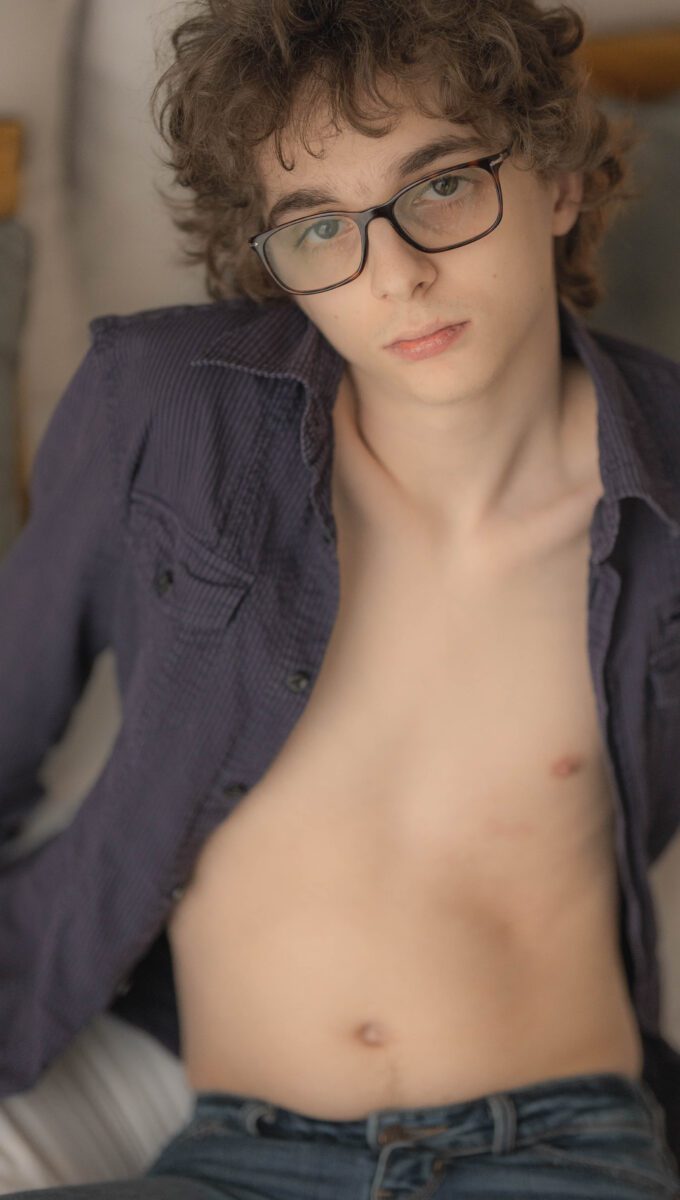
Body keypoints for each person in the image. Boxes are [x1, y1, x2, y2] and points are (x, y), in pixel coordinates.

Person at [1, 0, 680, 1196]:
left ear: (557, 180)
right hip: (233, 1152)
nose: (398, 275)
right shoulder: (163, 414)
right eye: (320, 227)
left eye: (442, 187)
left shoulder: (665, 489)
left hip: (555, 1148)